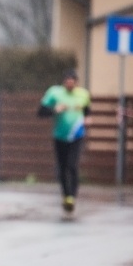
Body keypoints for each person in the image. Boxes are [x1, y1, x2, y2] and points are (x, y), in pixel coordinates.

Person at [37, 69, 91, 215]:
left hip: (77, 135)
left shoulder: (83, 94)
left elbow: (87, 110)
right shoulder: (55, 93)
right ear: (63, 82)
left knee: (72, 165)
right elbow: (41, 112)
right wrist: (55, 109)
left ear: (76, 82)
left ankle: (72, 197)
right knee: (62, 167)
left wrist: (87, 118)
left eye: (72, 82)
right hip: (60, 136)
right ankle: (65, 195)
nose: (69, 84)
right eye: (67, 82)